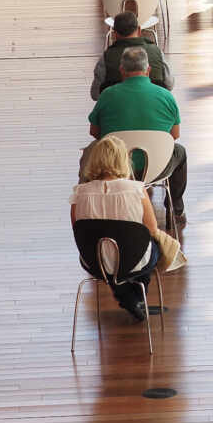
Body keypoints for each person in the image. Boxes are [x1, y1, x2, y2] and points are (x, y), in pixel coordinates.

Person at [71, 136, 171, 322]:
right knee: (152, 245)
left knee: (114, 260)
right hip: (133, 260)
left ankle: (127, 295)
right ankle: (135, 297)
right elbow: (151, 229)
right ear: (124, 160)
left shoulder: (79, 193)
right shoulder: (136, 190)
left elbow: (77, 229)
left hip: (95, 261)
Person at [88, 46, 189, 225]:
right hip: (157, 167)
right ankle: (176, 210)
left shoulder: (107, 95)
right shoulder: (166, 96)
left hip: (117, 167)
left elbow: (95, 132)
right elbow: (174, 135)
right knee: (179, 152)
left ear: (121, 70)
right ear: (148, 70)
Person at [92, 10, 173, 100]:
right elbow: (169, 85)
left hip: (119, 111)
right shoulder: (157, 52)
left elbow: (95, 94)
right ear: (139, 30)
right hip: (153, 107)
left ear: (115, 34)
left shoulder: (106, 58)